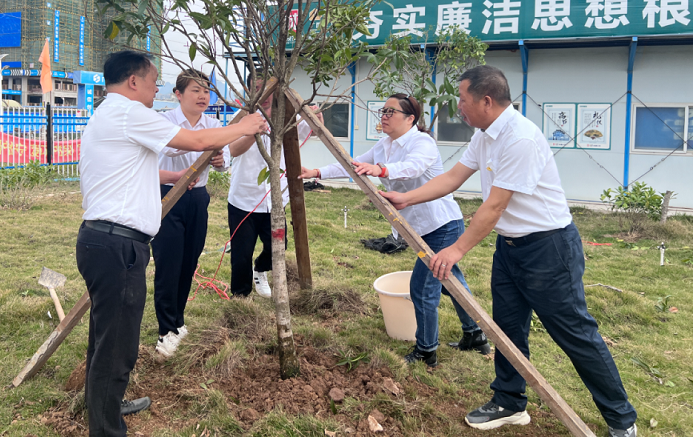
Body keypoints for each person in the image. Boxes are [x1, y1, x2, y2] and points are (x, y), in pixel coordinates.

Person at [380, 66, 637, 436]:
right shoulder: (484, 134)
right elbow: (453, 177)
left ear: (487, 100)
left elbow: (495, 206)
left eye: (463, 101)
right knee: (506, 329)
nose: (459, 109)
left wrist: (456, 249)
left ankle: (621, 421)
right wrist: (406, 196)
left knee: (575, 334)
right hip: (511, 247)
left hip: (549, 249)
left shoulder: (520, 138)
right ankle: (510, 402)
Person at [77, 51, 266, 437]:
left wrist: (217, 149)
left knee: (105, 336)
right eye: (152, 81)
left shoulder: (110, 114)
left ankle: (106, 405)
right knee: (117, 345)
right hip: (117, 245)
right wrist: (245, 123)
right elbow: (194, 140)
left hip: (103, 240)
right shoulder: (129, 113)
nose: (155, 88)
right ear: (133, 81)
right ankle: (106, 429)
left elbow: (163, 161)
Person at [299, 93, 489, 367]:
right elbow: (353, 165)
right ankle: (475, 334)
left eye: (391, 111)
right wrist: (316, 172)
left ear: (410, 118)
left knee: (422, 289)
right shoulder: (384, 144)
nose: (384, 116)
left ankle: (426, 352)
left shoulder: (422, 142)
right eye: (382, 111)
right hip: (418, 227)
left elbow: (412, 168)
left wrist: (381, 170)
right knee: (452, 283)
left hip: (441, 225)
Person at [153, 70, 231, 358]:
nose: (202, 96)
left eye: (206, 91)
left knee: (189, 261)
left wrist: (221, 159)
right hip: (168, 195)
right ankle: (164, 331)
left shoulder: (213, 124)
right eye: (195, 90)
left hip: (198, 198)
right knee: (168, 263)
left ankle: (178, 321)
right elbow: (171, 146)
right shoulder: (165, 121)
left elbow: (224, 162)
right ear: (178, 94)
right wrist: (204, 143)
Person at [226, 80, 319, 298]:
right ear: (248, 90)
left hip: (275, 200)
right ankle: (241, 297)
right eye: (257, 88)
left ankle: (260, 269)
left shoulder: (286, 118)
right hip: (244, 200)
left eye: (268, 88)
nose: (264, 94)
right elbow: (233, 150)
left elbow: (312, 129)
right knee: (241, 254)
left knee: (277, 246)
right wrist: (252, 132)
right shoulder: (241, 120)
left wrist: (315, 116)